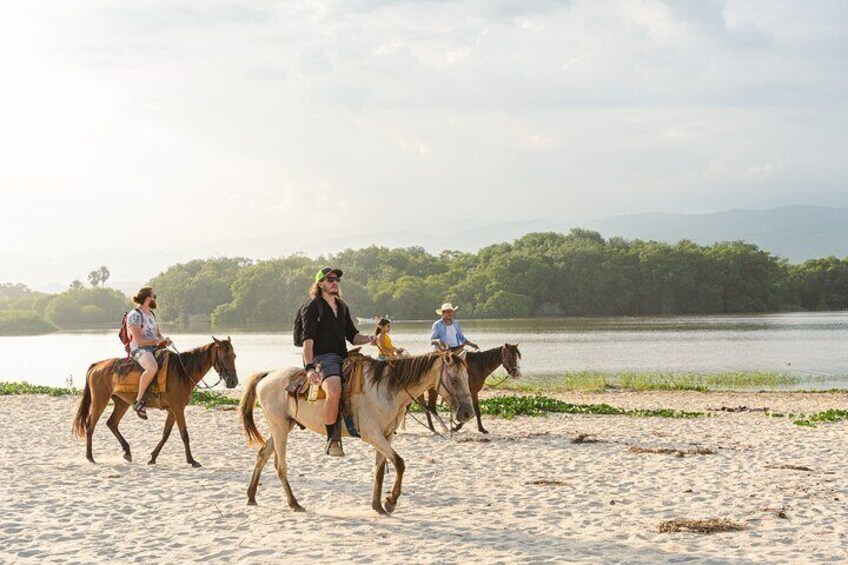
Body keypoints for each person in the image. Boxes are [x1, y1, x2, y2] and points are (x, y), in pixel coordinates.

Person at [302, 267, 376, 457]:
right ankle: (332, 439)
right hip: (323, 357)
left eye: (336, 280)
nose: (334, 282)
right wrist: (310, 368)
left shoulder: (342, 306)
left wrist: (369, 338)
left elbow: (353, 335)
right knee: (334, 391)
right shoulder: (313, 306)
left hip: (344, 356)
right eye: (330, 280)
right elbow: (307, 341)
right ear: (320, 284)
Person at [127, 287, 171, 419]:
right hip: (139, 350)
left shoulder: (151, 314)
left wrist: (164, 340)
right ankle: (139, 401)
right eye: (154, 296)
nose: (155, 299)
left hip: (154, 348)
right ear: (148, 298)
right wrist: (157, 342)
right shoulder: (134, 315)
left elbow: (158, 334)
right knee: (152, 368)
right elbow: (139, 341)